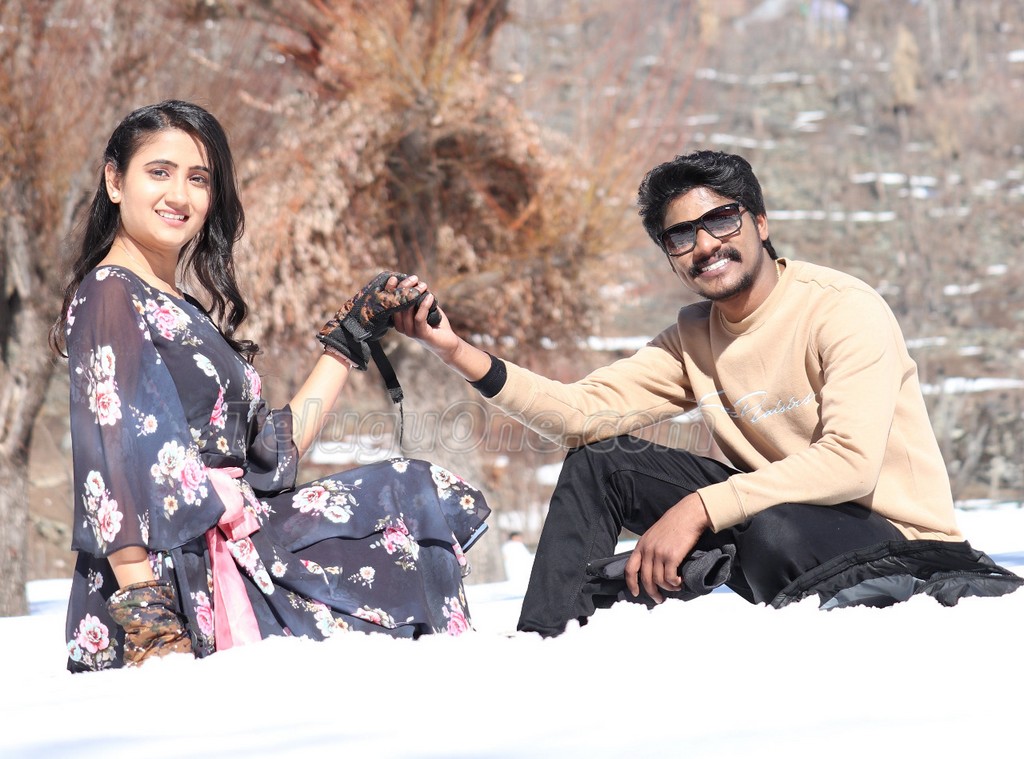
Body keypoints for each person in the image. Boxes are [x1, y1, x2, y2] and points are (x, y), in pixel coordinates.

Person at [395, 149, 1022, 637]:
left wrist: (700, 509)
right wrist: (452, 347)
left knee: (769, 526)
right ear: (670, 256)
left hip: (907, 551)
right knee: (602, 463)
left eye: (721, 219)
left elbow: (851, 463)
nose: (705, 245)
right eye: (681, 236)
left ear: (760, 222)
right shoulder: (693, 338)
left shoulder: (842, 309)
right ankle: (546, 642)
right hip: (781, 524)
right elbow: (578, 415)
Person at [51, 100, 490, 672]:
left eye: (199, 179)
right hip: (167, 588)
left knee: (405, 491)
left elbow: (268, 453)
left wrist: (347, 342)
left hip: (233, 543)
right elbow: (111, 460)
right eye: (159, 172)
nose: (179, 195)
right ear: (115, 181)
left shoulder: (183, 307)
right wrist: (149, 621)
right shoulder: (111, 291)